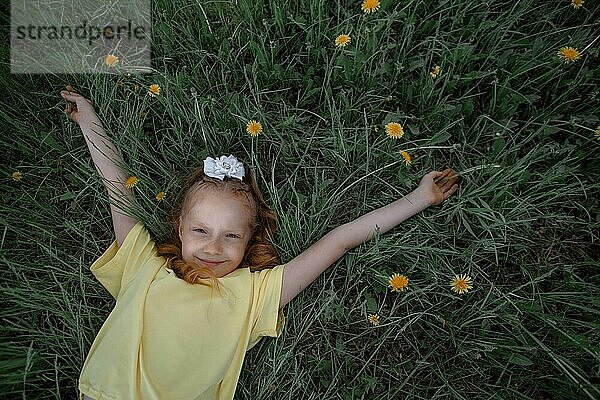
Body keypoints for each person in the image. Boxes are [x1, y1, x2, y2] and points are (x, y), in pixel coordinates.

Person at [60, 88, 459, 400]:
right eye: (201, 231)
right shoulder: (143, 266)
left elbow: (339, 241)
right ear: (179, 228)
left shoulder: (254, 292)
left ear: (249, 241)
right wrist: (88, 121)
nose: (214, 248)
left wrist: (419, 199)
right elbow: (118, 189)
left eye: (231, 236)